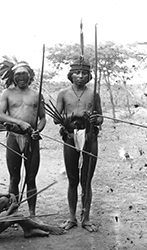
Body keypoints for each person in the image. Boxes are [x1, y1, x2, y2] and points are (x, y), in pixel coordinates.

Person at [54, 56, 103, 232]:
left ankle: (87, 218)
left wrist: (94, 118)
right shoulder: (63, 93)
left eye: (84, 73)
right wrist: (75, 114)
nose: (80, 76)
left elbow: (101, 118)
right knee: (72, 179)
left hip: (90, 136)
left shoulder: (93, 93)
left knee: (87, 179)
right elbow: (56, 119)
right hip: (70, 136)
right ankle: (72, 217)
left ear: (89, 76)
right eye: (77, 73)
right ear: (71, 75)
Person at [0, 60, 46, 217]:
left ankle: (32, 214)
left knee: (31, 178)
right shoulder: (8, 94)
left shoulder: (36, 95)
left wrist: (38, 130)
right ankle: (13, 214)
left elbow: (43, 118)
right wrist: (19, 122)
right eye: (18, 74)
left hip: (31, 139)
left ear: (30, 75)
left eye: (24, 74)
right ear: (13, 76)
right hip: (14, 137)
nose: (21, 77)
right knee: (14, 178)